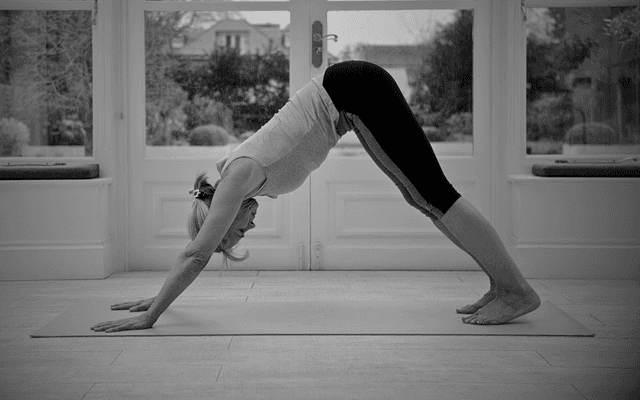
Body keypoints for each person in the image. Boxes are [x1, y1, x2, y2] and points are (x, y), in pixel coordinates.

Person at [91, 61, 540, 333]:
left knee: (433, 193)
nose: (245, 230)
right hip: (351, 94)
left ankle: (516, 289)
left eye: (233, 234)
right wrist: (155, 299)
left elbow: (194, 254)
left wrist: (151, 315)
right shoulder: (241, 178)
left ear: (221, 217)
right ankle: (502, 284)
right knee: (421, 196)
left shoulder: (235, 179)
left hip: (355, 92)